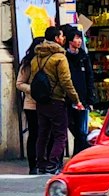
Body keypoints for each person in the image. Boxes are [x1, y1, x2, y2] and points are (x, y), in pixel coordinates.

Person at [31, 27, 83, 175]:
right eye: (61, 36)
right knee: (61, 135)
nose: (64, 39)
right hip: (56, 100)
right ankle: (53, 164)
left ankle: (41, 163)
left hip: (41, 100)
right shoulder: (60, 57)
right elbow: (66, 81)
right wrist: (76, 99)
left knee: (43, 133)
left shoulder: (36, 57)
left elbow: (33, 79)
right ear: (56, 39)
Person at [15, 36, 44, 174]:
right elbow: (19, 83)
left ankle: (42, 162)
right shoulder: (27, 64)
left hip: (45, 103)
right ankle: (33, 164)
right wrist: (33, 89)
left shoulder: (47, 61)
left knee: (44, 134)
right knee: (34, 133)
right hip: (31, 104)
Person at [65, 26, 96, 154]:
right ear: (70, 41)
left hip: (82, 99)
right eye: (76, 38)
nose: (79, 41)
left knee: (82, 131)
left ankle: (78, 155)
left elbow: (89, 77)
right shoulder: (64, 57)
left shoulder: (84, 57)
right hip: (68, 99)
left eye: (80, 38)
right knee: (72, 126)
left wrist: (90, 98)